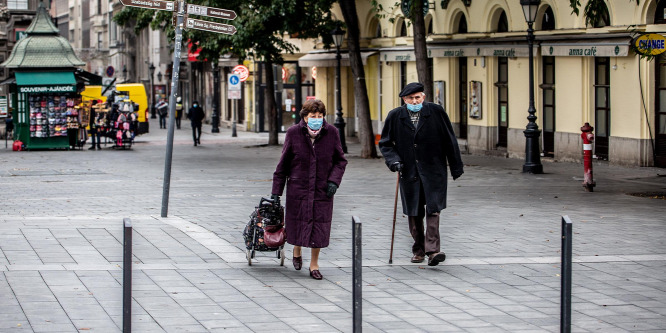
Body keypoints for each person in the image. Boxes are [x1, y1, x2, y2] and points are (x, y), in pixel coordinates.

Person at [378, 82, 464, 266]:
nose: (414, 101)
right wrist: (393, 161)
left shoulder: (436, 112)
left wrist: (456, 166)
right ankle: (419, 249)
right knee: (414, 212)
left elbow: (450, 139)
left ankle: (433, 250)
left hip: (434, 170)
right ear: (404, 99)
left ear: (423, 97)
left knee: (434, 209)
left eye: (418, 97)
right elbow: (385, 143)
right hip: (409, 171)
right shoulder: (395, 116)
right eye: (410, 98)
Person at [271, 99, 347, 280]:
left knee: (319, 227)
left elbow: (340, 160)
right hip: (299, 189)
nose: (317, 120)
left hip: (323, 189)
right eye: (313, 116)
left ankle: (314, 264)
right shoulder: (293, 133)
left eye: (320, 116)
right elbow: (283, 165)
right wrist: (276, 192)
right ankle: (297, 250)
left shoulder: (332, 133)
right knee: (298, 223)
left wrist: (333, 182)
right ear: (305, 117)